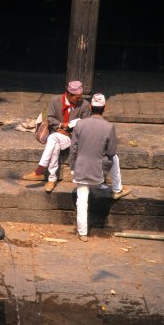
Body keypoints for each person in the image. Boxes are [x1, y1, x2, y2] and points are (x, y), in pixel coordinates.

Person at [70, 93, 131, 242]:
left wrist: (73, 167)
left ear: (90, 107)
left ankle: (83, 233)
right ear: (105, 108)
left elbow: (73, 149)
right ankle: (117, 189)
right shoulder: (109, 127)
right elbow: (110, 152)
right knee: (115, 157)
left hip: (80, 171)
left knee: (82, 199)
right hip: (98, 175)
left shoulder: (80, 124)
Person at [22, 80, 91, 192]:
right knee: (55, 144)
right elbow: (49, 117)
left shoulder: (85, 105)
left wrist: (69, 132)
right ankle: (51, 179)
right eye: (77, 97)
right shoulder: (55, 100)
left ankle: (40, 171)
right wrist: (60, 126)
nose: (80, 99)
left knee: (53, 139)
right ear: (68, 94)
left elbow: (86, 125)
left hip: (73, 137)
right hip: (57, 133)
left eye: (80, 97)